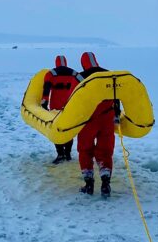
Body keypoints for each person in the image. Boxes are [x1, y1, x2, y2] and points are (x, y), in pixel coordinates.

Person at [75, 51, 119, 197]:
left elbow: (72, 99)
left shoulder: (80, 77)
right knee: (105, 150)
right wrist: (117, 115)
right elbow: (117, 97)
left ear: (83, 63)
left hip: (87, 119)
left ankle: (89, 185)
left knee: (85, 149)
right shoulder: (109, 75)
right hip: (107, 118)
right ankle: (106, 184)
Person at [41, 55, 77, 163]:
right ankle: (68, 154)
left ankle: (60, 154)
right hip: (69, 107)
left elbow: (46, 90)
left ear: (56, 62)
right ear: (66, 62)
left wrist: (44, 104)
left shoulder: (51, 74)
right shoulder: (74, 73)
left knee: (56, 130)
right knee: (68, 130)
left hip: (55, 108)